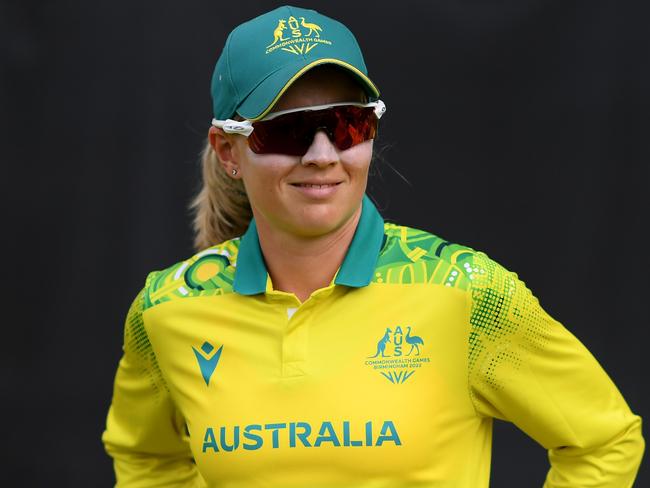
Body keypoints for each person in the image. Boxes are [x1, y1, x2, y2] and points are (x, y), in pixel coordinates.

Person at [102, 5, 644, 487]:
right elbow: (147, 459)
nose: (322, 154)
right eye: (288, 131)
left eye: (346, 124)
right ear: (228, 152)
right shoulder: (167, 311)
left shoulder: (465, 291)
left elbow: (604, 441)